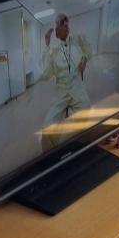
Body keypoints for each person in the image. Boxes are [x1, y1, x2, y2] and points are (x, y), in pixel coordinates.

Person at [39, 13, 93, 152]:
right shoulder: (54, 52)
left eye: (66, 20)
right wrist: (47, 45)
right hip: (61, 91)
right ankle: (50, 157)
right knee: (47, 127)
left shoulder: (78, 39)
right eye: (61, 22)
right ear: (57, 34)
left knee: (85, 110)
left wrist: (85, 59)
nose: (65, 23)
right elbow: (44, 74)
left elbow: (89, 47)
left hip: (77, 87)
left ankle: (79, 148)